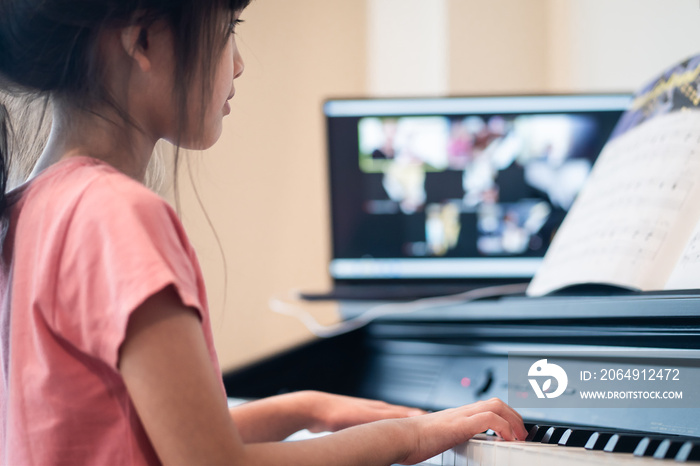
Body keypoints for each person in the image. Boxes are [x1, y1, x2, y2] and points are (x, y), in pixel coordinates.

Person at [0, 0, 527, 464]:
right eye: (230, 26)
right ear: (142, 39)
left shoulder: (30, 206)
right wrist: (409, 437)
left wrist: (307, 407)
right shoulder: (117, 213)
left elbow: (146, 436)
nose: (239, 62)